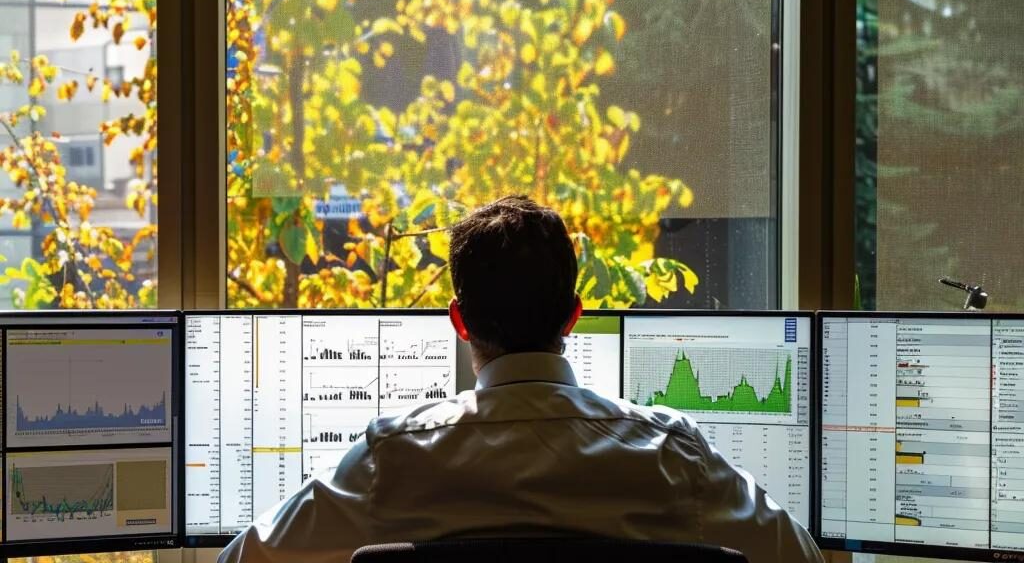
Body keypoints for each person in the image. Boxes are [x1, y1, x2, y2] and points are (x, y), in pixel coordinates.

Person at [219, 196, 823, 563]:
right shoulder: (672, 454)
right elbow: (802, 561)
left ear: (459, 321)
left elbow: (240, 562)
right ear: (573, 316)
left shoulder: (393, 461)